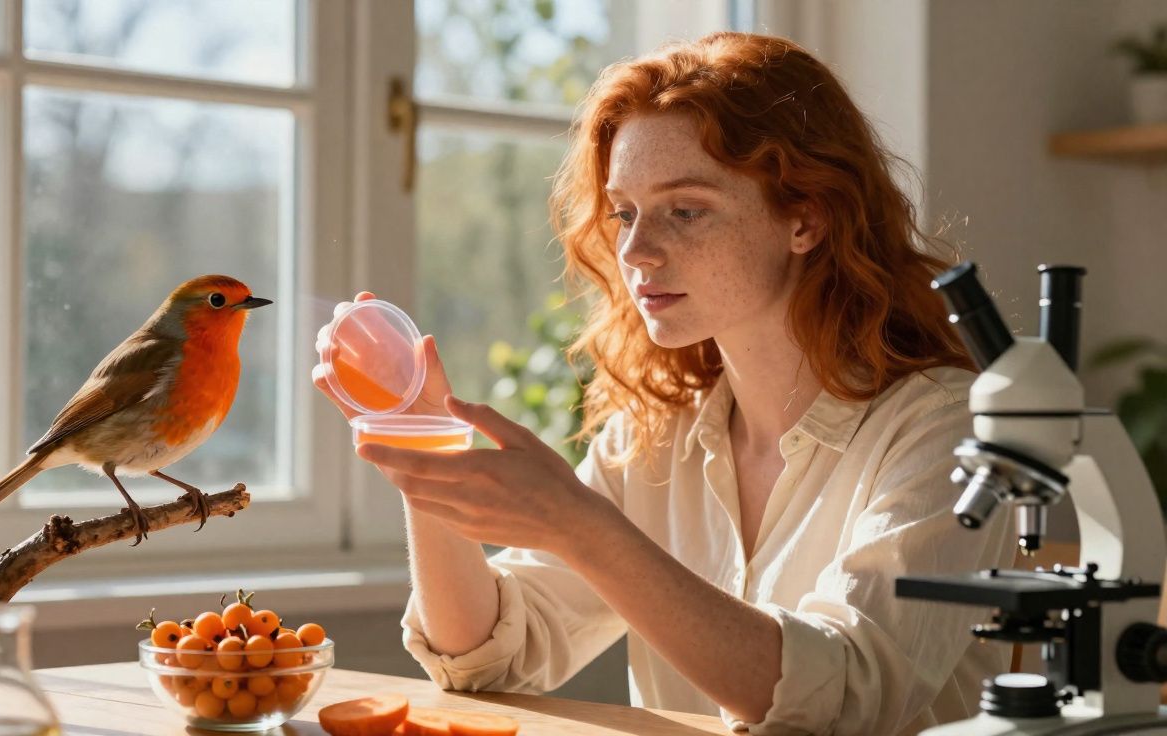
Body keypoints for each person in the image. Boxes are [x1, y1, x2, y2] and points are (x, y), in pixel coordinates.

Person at [313, 31, 1012, 736]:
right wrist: (426, 436)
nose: (635, 251)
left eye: (686, 210)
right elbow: (490, 658)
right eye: (624, 212)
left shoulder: (946, 429)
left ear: (805, 218)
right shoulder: (654, 436)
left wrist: (583, 528)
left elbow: (843, 702)